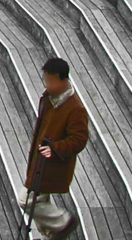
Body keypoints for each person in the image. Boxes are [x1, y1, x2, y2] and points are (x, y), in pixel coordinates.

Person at [20, 58, 89, 240]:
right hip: (41, 161)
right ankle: (50, 234)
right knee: (39, 200)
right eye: (46, 79)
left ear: (63, 80)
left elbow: (80, 139)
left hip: (52, 164)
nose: (47, 84)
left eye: (51, 80)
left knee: (27, 200)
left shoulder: (75, 108)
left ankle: (62, 223)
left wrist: (56, 148)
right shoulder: (49, 98)